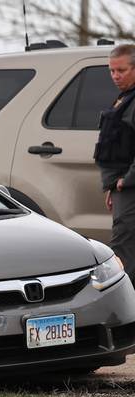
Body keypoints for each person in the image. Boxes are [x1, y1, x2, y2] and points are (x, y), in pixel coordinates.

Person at [94, 43, 135, 283]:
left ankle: (123, 309)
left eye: (121, 70)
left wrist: (124, 182)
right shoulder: (124, 98)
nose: (115, 76)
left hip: (129, 187)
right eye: (112, 71)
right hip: (121, 186)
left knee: (123, 251)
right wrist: (112, 186)